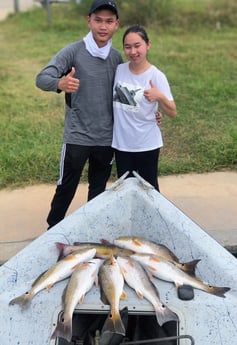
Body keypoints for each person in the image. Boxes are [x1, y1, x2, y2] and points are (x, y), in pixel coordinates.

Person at [36, 0, 122, 229]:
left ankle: (92, 231)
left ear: (116, 25)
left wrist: (150, 115)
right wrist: (60, 83)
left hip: (106, 138)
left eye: (109, 21)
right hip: (77, 136)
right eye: (98, 20)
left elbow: (126, 98)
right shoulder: (73, 52)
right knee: (66, 186)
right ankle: (53, 229)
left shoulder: (116, 58)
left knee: (98, 188)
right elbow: (41, 78)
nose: (103, 26)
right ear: (89, 21)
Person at [112, 25, 177, 191]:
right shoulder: (119, 70)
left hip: (147, 144)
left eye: (137, 45)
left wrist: (159, 96)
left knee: (149, 190)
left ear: (148, 45)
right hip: (122, 145)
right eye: (128, 47)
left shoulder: (156, 76)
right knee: (126, 191)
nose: (133, 51)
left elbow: (172, 112)